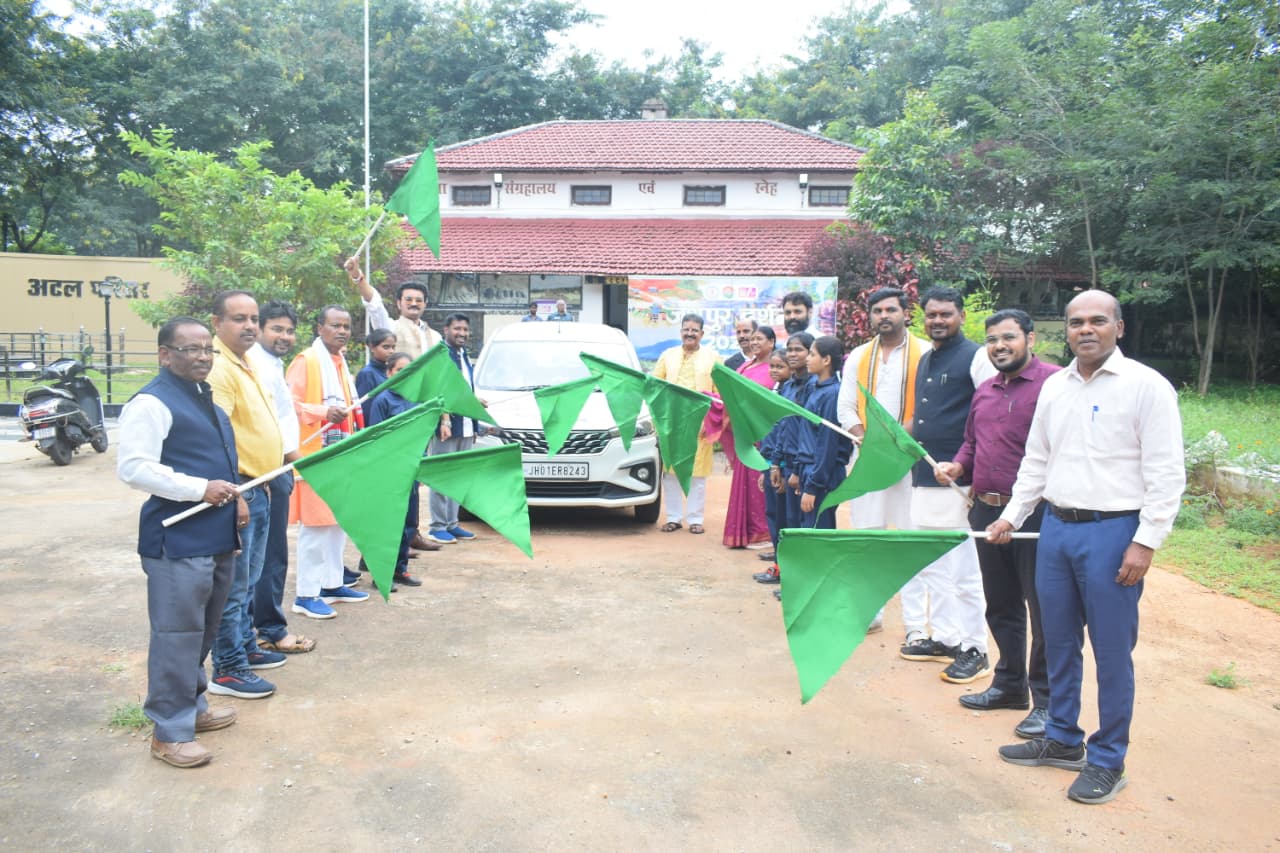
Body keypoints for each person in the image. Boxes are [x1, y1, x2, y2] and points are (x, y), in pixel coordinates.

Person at [988, 290, 1184, 805]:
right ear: (1066, 331)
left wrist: (1146, 541)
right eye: (1076, 322)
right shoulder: (1056, 387)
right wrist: (1012, 516)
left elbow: (1166, 472)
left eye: (1098, 320)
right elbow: (1037, 460)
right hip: (1056, 529)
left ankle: (1108, 760)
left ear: (1120, 327)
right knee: (1057, 640)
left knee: (1112, 651)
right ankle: (1062, 738)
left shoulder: (1146, 387)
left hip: (1113, 533)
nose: (1086, 329)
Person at [117, 317, 243, 768]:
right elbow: (134, 467)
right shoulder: (151, 403)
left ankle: (193, 705)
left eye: (208, 349)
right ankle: (169, 731)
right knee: (176, 634)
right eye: (191, 349)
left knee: (203, 628)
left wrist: (235, 502)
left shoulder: (203, 396)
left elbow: (218, 462)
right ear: (165, 354)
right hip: (176, 540)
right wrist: (199, 489)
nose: (202, 357)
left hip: (215, 534)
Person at [934, 309, 1058, 739]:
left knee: (1044, 609)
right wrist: (958, 465)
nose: (999, 346)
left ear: (1030, 338)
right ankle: (1010, 685)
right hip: (987, 512)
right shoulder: (985, 390)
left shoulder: (1055, 384)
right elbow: (972, 442)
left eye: (1009, 337)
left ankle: (1047, 703)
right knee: (1001, 603)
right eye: (992, 340)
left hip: (1037, 515)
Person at [905, 287, 997, 684]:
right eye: (931, 315)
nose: (937, 321)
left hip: (960, 482)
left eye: (945, 314)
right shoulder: (926, 358)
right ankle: (946, 638)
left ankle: (975, 648)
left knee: (964, 572)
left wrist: (970, 468)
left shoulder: (977, 357)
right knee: (933, 566)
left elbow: (992, 414)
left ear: (960, 315)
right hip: (926, 476)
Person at [205, 291, 285, 700]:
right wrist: (233, 490)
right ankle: (229, 668)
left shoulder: (247, 361)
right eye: (239, 319)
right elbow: (216, 434)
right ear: (217, 322)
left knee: (250, 580)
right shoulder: (219, 367)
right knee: (233, 586)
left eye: (254, 318)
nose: (250, 326)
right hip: (240, 489)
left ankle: (246, 646)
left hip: (259, 485)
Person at [287, 305, 371, 618]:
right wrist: (323, 412)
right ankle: (306, 594)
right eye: (335, 325)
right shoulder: (306, 360)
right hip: (314, 455)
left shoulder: (340, 363)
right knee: (315, 527)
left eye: (346, 326)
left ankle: (332, 584)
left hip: (341, 454)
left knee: (337, 522)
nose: (342, 331)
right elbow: (288, 404)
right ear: (319, 327)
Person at [246, 301, 316, 656]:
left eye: (289, 331)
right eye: (276, 329)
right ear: (259, 329)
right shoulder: (254, 365)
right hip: (268, 470)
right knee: (268, 556)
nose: (284, 336)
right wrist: (295, 461)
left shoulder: (272, 364)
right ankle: (269, 630)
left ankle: (258, 629)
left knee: (267, 554)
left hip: (279, 467)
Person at [653, 313, 722, 534]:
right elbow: (655, 387)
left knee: (697, 473)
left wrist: (710, 421)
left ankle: (695, 519)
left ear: (702, 333)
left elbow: (719, 393)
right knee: (670, 472)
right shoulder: (668, 355)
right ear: (681, 331)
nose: (690, 333)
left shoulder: (713, 358)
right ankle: (673, 518)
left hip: (699, 422)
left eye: (694, 330)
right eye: (686, 329)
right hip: (671, 422)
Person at [754, 332, 813, 585]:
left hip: (799, 466)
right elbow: (781, 427)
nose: (793, 354)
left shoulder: (812, 389)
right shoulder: (787, 388)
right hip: (780, 462)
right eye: (790, 349)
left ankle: (794, 577)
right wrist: (773, 464)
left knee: (796, 522)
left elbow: (806, 434)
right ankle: (782, 568)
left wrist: (795, 469)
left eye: (798, 350)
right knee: (779, 517)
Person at [366, 352, 427, 589]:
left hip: (411, 470)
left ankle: (400, 569)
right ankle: (381, 574)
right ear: (389, 373)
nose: (404, 374)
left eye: (409, 370)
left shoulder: (416, 399)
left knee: (408, 523)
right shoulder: (383, 400)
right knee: (388, 525)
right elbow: (376, 438)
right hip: (389, 472)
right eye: (399, 370)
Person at [721, 325, 776, 549]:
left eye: (759, 339)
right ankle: (744, 532)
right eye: (752, 339)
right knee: (745, 483)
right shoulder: (745, 365)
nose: (753, 342)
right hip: (744, 433)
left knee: (758, 484)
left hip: (762, 434)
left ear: (771, 342)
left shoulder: (774, 368)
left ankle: (761, 533)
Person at [425, 313, 477, 544]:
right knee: (441, 476)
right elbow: (438, 390)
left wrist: (476, 419)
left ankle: (452, 524)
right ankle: (437, 527)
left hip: (465, 424)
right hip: (446, 426)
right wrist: (444, 421)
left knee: (459, 477)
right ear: (446, 329)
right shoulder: (440, 355)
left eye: (465, 329)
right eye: (457, 329)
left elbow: (464, 389)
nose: (462, 333)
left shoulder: (463, 355)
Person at [795, 336, 852, 529]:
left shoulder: (833, 394)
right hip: (810, 468)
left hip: (822, 473)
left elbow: (827, 443)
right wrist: (798, 470)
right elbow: (807, 435)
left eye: (812, 354)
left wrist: (813, 485)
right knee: (807, 528)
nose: (807, 359)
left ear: (826, 360)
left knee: (818, 530)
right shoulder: (814, 388)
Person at [345, 257, 440, 359]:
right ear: (399, 303)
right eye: (408, 299)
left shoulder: (436, 337)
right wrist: (358, 277)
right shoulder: (390, 327)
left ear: (425, 304)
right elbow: (374, 304)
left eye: (419, 300)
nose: (414, 303)